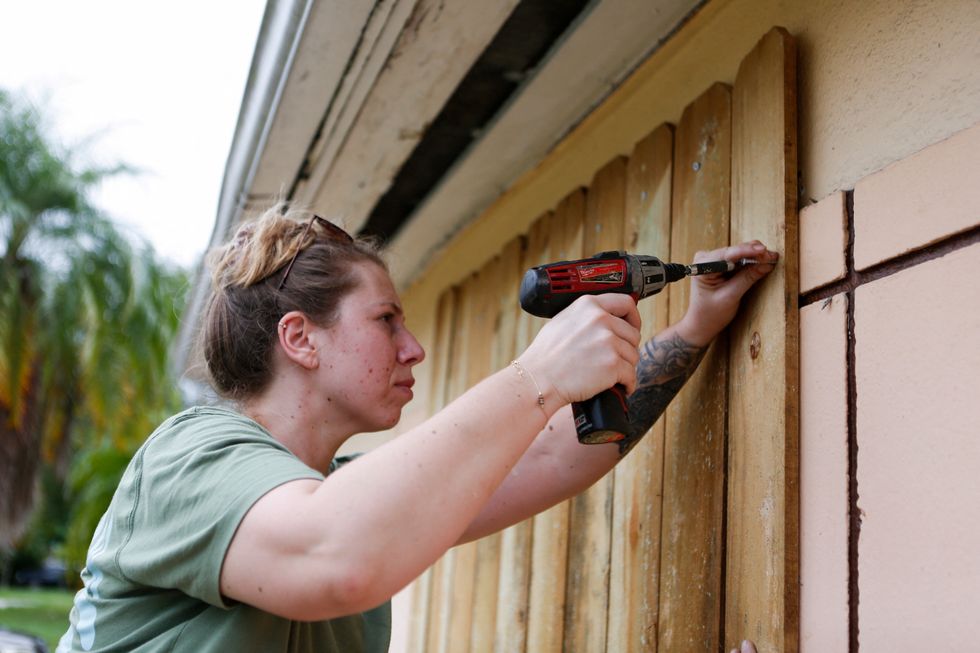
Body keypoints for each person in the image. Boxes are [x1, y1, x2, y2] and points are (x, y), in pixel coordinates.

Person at [56, 205, 778, 652]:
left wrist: (696, 323)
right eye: (385, 320)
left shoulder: (340, 494)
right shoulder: (188, 458)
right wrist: (537, 377)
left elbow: (557, 453)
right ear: (301, 339)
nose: (414, 347)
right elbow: (338, 555)